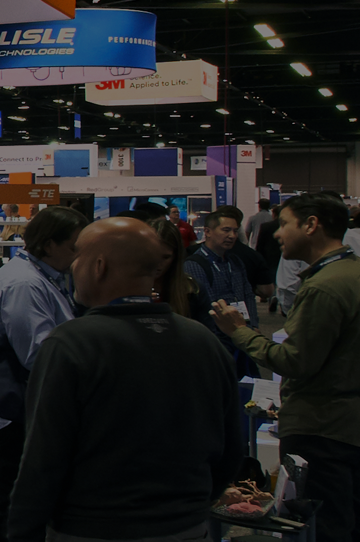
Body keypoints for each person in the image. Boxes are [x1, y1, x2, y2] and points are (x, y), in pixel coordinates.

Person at [8, 218, 244, 542]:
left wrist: (22, 533)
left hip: (90, 530)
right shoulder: (204, 341)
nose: (72, 267)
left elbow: (41, 463)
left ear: (99, 266)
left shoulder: (71, 344)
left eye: (79, 257)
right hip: (187, 528)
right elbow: (232, 449)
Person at [211, 192, 360, 542]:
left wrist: (240, 333)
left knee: (325, 525)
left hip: (322, 428)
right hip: (346, 425)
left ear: (311, 225)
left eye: (285, 224)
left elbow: (295, 361)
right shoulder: (350, 273)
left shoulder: (325, 286)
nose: (277, 234)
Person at [0, 206, 88, 542]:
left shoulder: (43, 277)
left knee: (22, 495)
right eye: (74, 247)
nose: (79, 255)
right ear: (49, 244)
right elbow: (37, 353)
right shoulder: (23, 283)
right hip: (19, 408)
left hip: (31, 405)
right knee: (14, 499)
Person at [183, 210, 260, 378]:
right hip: (218, 341)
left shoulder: (235, 261)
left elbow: (248, 295)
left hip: (241, 334)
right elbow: (207, 308)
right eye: (226, 230)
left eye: (235, 230)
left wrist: (253, 326)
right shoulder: (194, 264)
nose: (232, 235)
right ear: (208, 232)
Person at [148, 217, 198, 318]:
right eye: (151, 255)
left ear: (175, 257)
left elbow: (204, 331)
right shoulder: (123, 289)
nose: (158, 263)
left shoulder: (192, 290)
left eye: (165, 257)